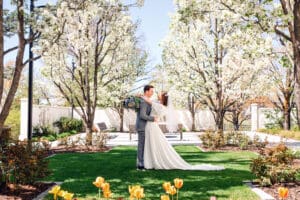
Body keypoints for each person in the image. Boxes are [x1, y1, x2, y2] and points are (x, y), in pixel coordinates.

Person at [142, 92, 224, 170]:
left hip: (151, 125)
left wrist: (140, 96)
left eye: (160, 95)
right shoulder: (163, 107)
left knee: (151, 143)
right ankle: (151, 162)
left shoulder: (159, 106)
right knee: (152, 143)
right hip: (152, 125)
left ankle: (150, 163)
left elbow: (148, 101)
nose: (158, 95)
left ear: (163, 98)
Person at [135, 85, 158, 170]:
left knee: (144, 145)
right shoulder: (144, 102)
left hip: (144, 126)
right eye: (151, 91)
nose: (152, 93)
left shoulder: (145, 100)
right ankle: (140, 164)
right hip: (142, 126)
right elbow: (142, 115)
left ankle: (144, 162)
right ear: (146, 91)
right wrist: (153, 118)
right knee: (141, 145)